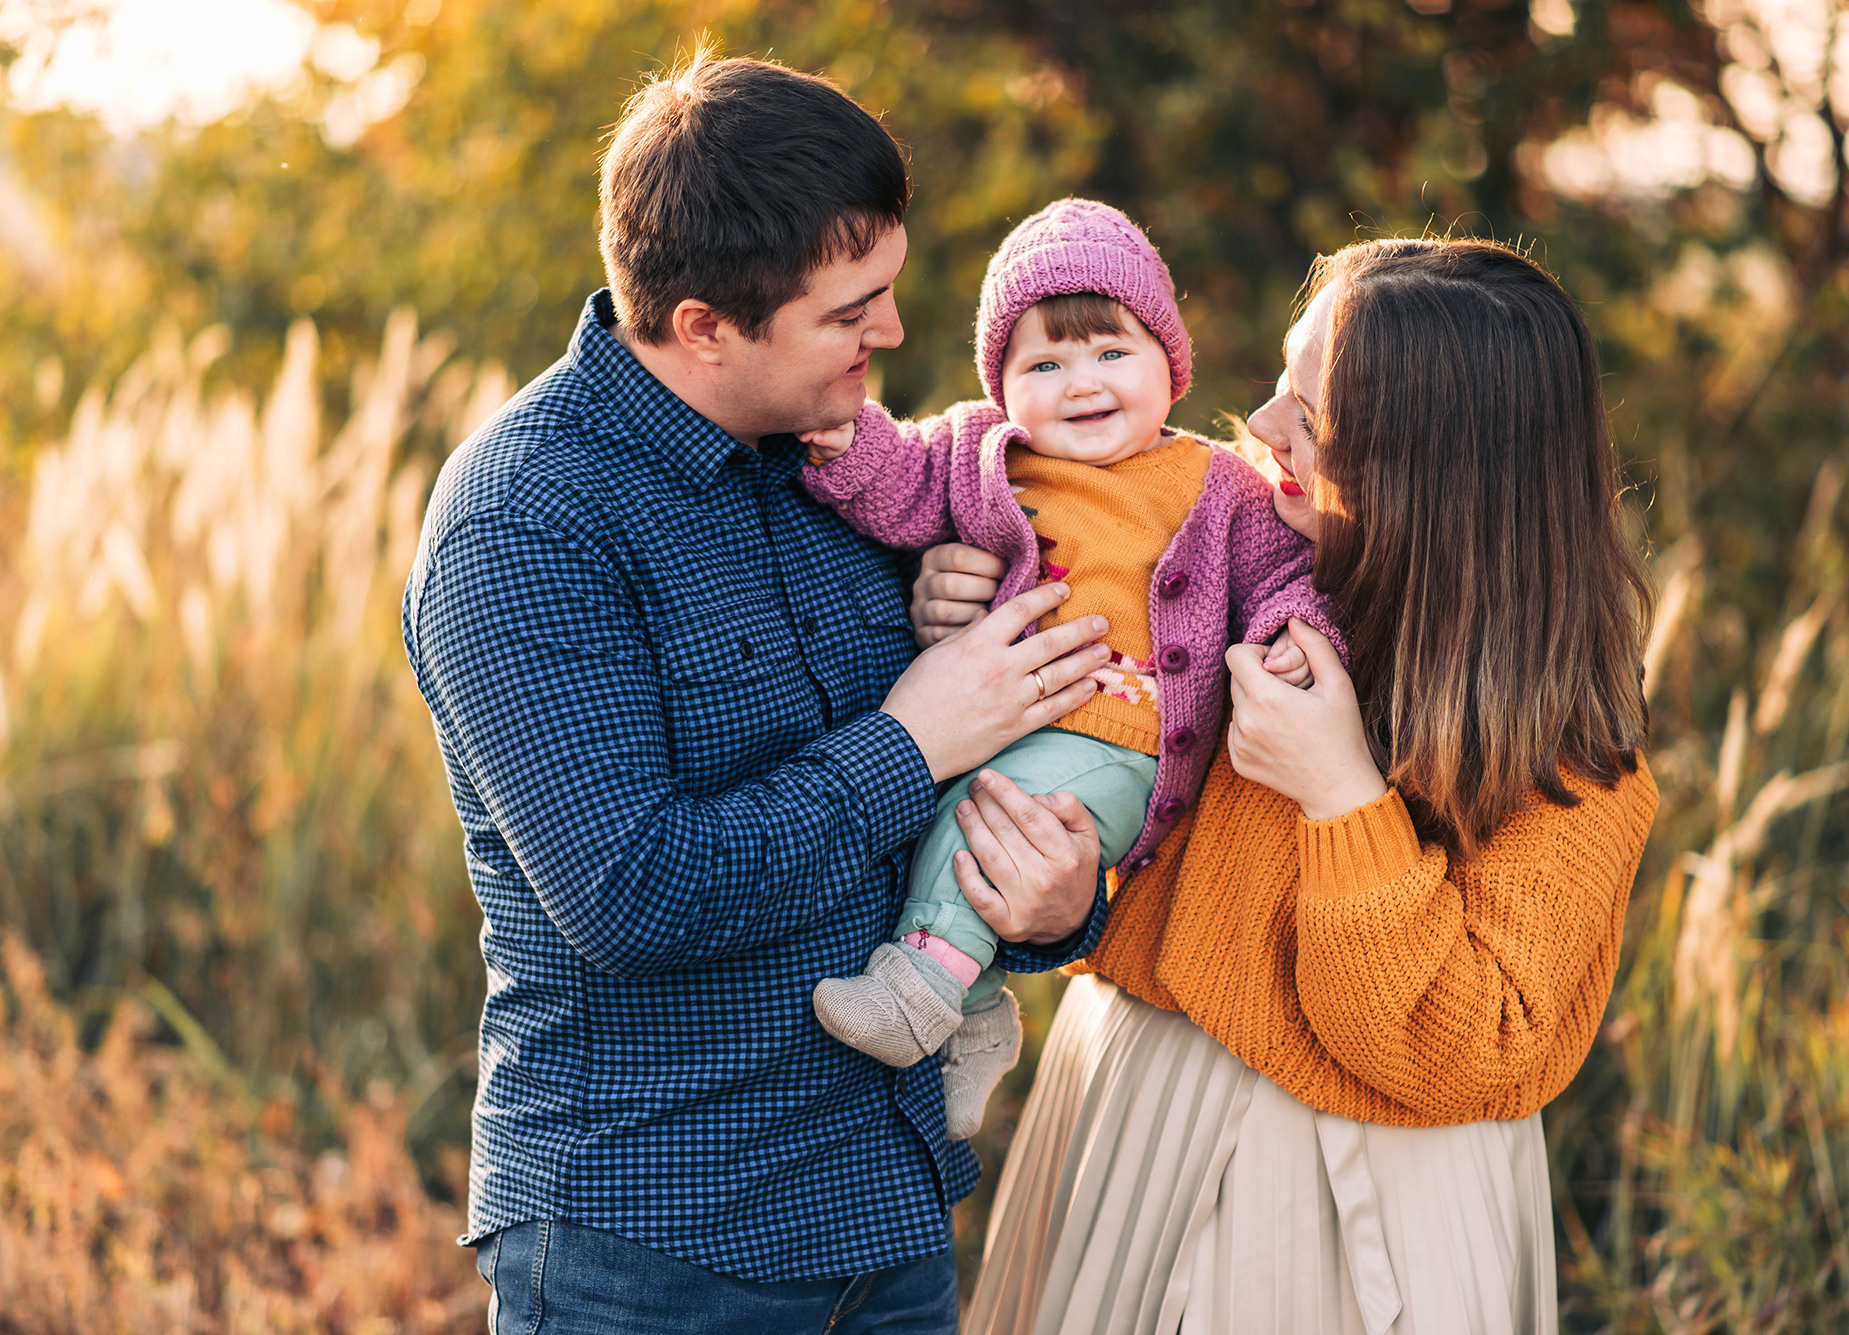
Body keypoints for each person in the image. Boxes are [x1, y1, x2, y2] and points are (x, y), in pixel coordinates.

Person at [400, 53, 1111, 1334]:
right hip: (656, 1244)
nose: (890, 336)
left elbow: (985, 773)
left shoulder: (858, 468)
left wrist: (1062, 904)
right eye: (851, 313)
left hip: (887, 1219)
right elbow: (634, 891)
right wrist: (910, 736)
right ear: (702, 327)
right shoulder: (524, 524)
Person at [915, 238, 1661, 1333]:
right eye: (1276, 380)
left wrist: (1340, 800)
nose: (1258, 425)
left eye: (1308, 417)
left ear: (1426, 466)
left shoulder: (1565, 751)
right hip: (1135, 1110)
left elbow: (1472, 1053)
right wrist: (969, 588)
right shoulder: (1214, 572)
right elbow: (1123, 819)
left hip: (1377, 1207)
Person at [796, 198, 1344, 1140]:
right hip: (1006, 712)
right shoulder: (985, 455)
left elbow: (1289, 576)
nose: (1080, 382)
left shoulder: (1219, 485)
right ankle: (973, 1018)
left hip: (1123, 737)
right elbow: (901, 477)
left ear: (1169, 364)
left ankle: (922, 984)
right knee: (951, 808)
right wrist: (849, 445)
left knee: (991, 812)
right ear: (1001, 386)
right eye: (1042, 364)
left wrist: (1298, 631)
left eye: (1109, 353)